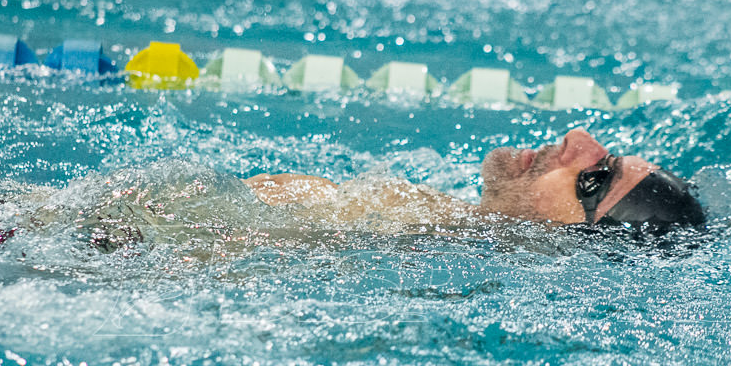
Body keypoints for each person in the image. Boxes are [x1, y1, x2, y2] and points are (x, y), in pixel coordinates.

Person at [245, 129, 705, 237]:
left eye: (594, 180)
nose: (577, 139)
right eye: (611, 156)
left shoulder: (403, 232)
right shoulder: (435, 224)